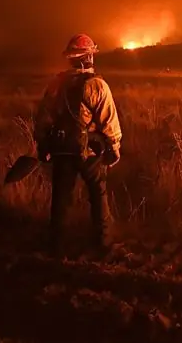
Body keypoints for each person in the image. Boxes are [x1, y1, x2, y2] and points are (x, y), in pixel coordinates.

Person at [33, 33, 122, 255]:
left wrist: (43, 145)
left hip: (62, 149)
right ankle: (103, 242)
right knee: (97, 194)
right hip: (90, 151)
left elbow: (43, 118)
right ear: (89, 57)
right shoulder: (97, 86)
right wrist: (114, 148)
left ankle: (56, 243)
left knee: (61, 197)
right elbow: (109, 122)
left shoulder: (56, 84)